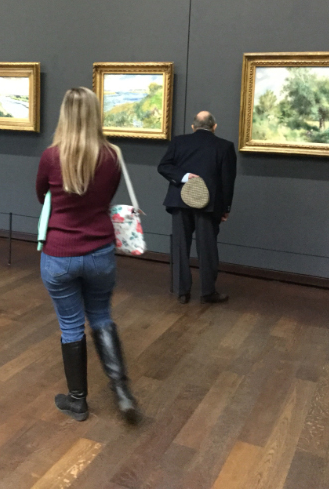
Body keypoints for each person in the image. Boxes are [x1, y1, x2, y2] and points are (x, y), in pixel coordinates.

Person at [36, 87, 138, 423]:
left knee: (70, 325)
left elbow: (41, 195)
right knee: (101, 316)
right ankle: (122, 392)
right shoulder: (112, 156)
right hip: (99, 251)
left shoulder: (51, 156)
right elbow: (105, 197)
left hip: (59, 253)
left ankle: (77, 401)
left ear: (64, 114)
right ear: (96, 115)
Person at [158, 111, 237, 304]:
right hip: (209, 206)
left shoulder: (179, 142)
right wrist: (225, 208)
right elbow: (228, 181)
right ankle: (207, 292)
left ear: (193, 126)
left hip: (179, 202)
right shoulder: (225, 146)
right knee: (207, 248)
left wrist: (184, 177)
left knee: (180, 246)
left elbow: (163, 166)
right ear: (214, 126)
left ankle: (182, 291)